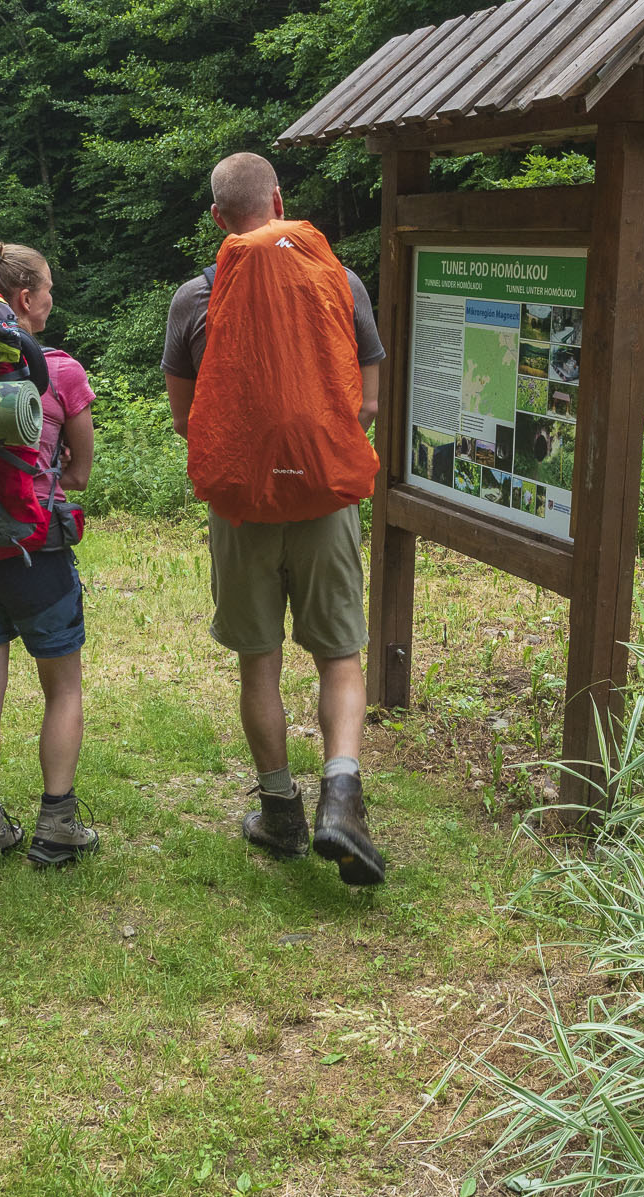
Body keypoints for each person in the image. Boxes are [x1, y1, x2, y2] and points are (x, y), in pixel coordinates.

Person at [160, 153, 387, 886]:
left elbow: (185, 418)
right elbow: (370, 401)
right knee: (340, 655)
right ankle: (342, 801)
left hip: (242, 505)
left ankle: (282, 811)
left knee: (258, 658)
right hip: (326, 498)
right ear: (282, 202)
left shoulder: (195, 298)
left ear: (220, 220)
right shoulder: (339, 280)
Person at [0, 239, 98, 875]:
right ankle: (56, 826)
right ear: (26, 300)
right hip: (37, 554)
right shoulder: (59, 370)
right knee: (62, 689)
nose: (52, 300)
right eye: (50, 290)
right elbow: (81, 473)